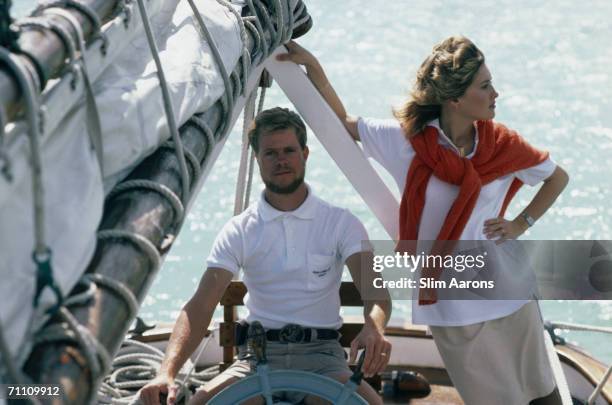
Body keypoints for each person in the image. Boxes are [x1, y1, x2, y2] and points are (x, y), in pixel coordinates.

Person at [278, 36, 569, 405]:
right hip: (453, 306)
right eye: (485, 85)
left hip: (511, 294)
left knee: (547, 399)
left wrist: (520, 223)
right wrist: (315, 69)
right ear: (455, 99)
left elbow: (556, 176)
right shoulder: (405, 143)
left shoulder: (502, 144)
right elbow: (343, 123)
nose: (496, 93)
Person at [139, 107, 392, 405]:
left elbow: (376, 292)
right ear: (257, 159)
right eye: (270, 153)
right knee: (199, 403)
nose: (281, 160)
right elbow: (200, 305)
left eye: (289, 150)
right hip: (256, 357)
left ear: (305, 154)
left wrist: (374, 328)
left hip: (323, 358)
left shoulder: (341, 222)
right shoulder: (239, 230)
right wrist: (166, 372)